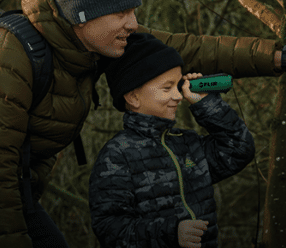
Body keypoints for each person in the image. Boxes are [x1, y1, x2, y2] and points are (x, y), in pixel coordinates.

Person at [0, 0, 286, 247]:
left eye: (133, 11)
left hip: (23, 191)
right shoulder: (11, 56)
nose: (132, 23)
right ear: (81, 16)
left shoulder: (96, 39)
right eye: (121, 14)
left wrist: (283, 58)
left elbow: (190, 50)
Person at [89, 32, 255, 248]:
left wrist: (206, 104)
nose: (178, 96)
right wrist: (171, 233)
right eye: (167, 88)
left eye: (178, 86)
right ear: (133, 97)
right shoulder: (117, 155)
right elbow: (111, 230)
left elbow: (239, 149)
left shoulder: (187, 144)